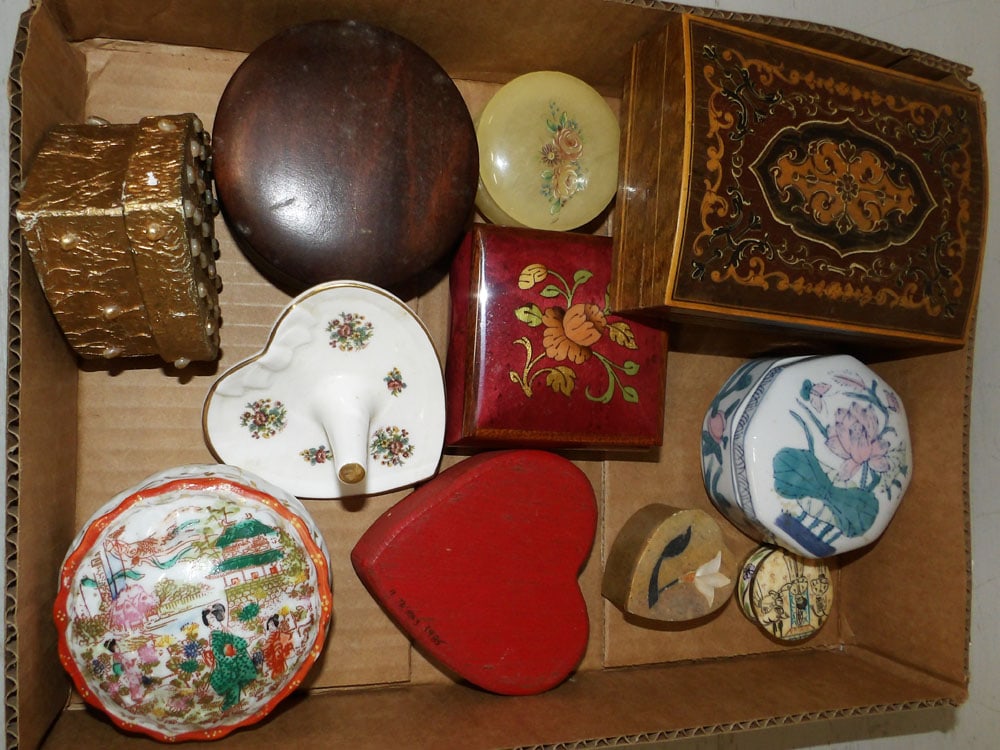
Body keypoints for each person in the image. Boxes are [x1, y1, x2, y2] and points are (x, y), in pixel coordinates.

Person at [201, 603, 257, 711]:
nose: (212, 622)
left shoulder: (224, 631)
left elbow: (236, 640)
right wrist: (230, 658)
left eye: (213, 618)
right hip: (226, 665)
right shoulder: (215, 637)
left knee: (239, 676)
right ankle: (229, 705)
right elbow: (217, 654)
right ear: (208, 624)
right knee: (233, 682)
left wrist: (242, 644)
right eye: (209, 620)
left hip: (235, 659)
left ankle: (234, 704)